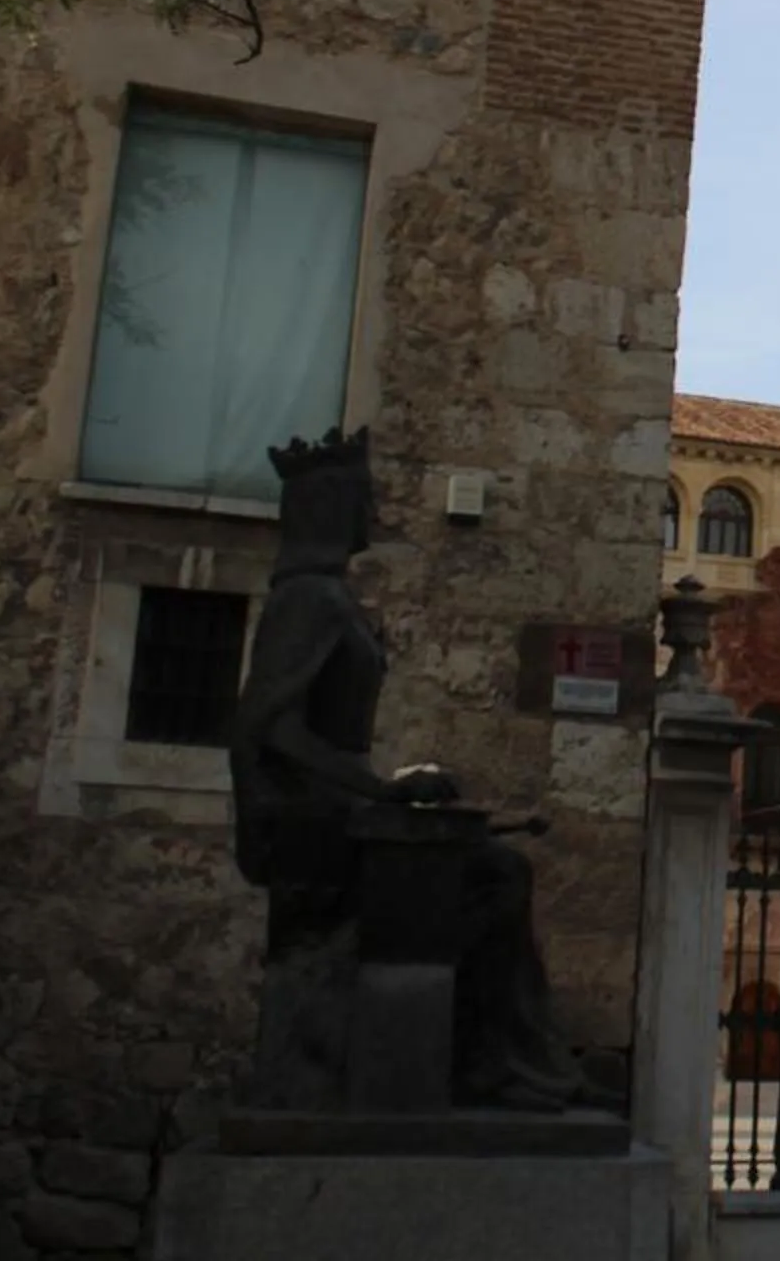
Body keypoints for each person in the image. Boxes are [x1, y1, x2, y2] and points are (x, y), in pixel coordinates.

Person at [231, 425, 587, 1110]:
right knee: (495, 875)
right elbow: (270, 726)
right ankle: (485, 1062)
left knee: (495, 871)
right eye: (363, 501)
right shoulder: (309, 599)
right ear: (332, 510)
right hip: (320, 823)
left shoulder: (329, 597)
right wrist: (382, 791)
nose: (375, 514)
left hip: (342, 809)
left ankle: (493, 1058)